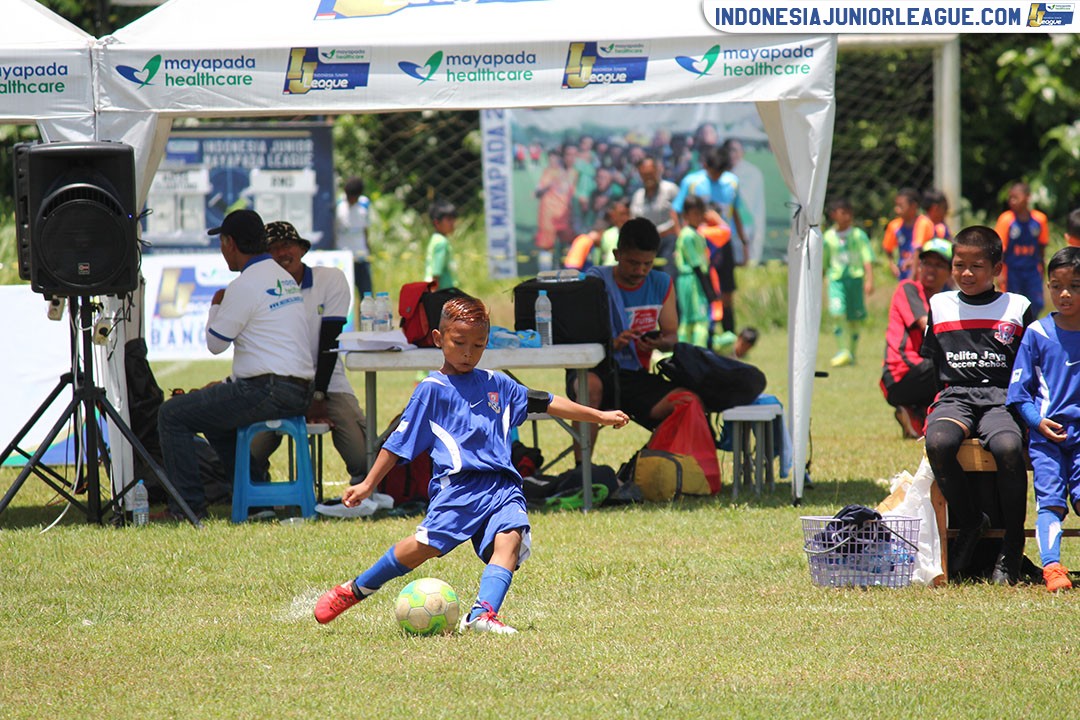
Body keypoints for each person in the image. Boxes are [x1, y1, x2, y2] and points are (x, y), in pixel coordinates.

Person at [314, 296, 629, 631]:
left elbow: (547, 401)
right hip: (459, 488)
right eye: (459, 343)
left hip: (502, 486)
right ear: (438, 339)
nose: (468, 353)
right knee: (423, 548)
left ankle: (482, 614)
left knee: (511, 538)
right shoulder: (432, 390)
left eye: (478, 345)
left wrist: (598, 415)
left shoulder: (498, 384)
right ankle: (357, 588)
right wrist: (367, 484)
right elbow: (398, 444)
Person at [157, 210, 314, 519]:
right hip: (299, 389)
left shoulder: (244, 285)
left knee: (171, 414)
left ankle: (186, 508)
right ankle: (257, 501)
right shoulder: (282, 277)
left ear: (229, 243)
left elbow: (215, 344)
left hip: (267, 389)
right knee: (217, 418)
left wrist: (216, 305)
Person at [921, 225, 1035, 584]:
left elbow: (1031, 365)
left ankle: (1012, 545)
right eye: (959, 265)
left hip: (1002, 398)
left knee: (1008, 446)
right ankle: (970, 521)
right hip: (956, 396)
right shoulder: (939, 305)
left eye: (977, 266)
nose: (966, 273)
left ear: (997, 268)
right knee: (938, 443)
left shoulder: (1017, 307)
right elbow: (932, 364)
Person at [249, 221, 368, 485]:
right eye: (273, 249)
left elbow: (329, 341)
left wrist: (318, 395)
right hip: (278, 386)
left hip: (330, 383)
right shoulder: (260, 289)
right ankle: (261, 485)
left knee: (362, 458)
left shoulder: (331, 279)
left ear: (302, 249)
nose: (281, 253)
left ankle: (362, 489)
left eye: (287, 245)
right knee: (249, 453)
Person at [571, 217, 695, 450]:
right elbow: (578, 335)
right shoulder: (596, 281)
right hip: (594, 369)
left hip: (635, 375)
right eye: (632, 263)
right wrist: (612, 344)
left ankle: (641, 467)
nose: (640, 271)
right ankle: (582, 474)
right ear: (617, 254)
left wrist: (657, 343)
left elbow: (671, 338)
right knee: (591, 387)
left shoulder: (662, 283)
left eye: (647, 264)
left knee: (686, 401)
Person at [1007, 247, 1080, 592]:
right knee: (1050, 501)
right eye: (1057, 286)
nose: (1065, 294)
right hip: (1046, 437)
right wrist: (1037, 423)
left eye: (1075, 286)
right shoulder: (1037, 332)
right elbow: (1019, 394)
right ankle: (1052, 569)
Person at [672, 145, 749, 339]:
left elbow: (736, 212)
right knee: (702, 288)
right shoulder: (692, 181)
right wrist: (680, 236)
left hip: (723, 243)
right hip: (699, 244)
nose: (716, 176)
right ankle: (704, 335)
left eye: (720, 172)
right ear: (705, 166)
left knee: (726, 293)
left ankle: (729, 337)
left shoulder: (732, 182)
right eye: (713, 172)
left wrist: (743, 242)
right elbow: (677, 209)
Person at [880, 238, 953, 438]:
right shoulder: (908, 289)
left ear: (950, 272)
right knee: (954, 365)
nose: (931, 269)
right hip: (900, 376)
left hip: (921, 374)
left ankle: (915, 414)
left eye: (939, 265)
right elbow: (926, 325)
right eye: (927, 263)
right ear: (919, 266)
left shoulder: (948, 300)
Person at [822, 197, 874, 368]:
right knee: (837, 312)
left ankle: (851, 353)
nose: (846, 216)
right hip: (837, 280)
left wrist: (869, 279)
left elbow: (867, 258)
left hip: (855, 280)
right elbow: (824, 261)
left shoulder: (858, 235)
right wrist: (822, 279)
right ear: (833, 215)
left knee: (854, 318)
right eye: (842, 212)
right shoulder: (828, 237)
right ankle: (842, 350)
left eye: (848, 213)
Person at [995, 181, 1049, 317]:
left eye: (1016, 197)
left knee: (1036, 303)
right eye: (1010, 198)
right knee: (1012, 304)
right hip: (1012, 271)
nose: (1012, 201)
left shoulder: (1039, 219)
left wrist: (1043, 268)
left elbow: (1042, 246)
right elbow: (1000, 249)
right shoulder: (1006, 220)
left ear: (1027, 197)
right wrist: (1000, 273)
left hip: (1032, 270)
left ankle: (1031, 330)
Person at [629, 156, 680, 280]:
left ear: (658, 171)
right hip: (646, 246)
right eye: (644, 174)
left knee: (668, 279)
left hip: (669, 242)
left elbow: (681, 217)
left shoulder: (670, 190)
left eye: (651, 173)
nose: (648, 178)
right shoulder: (637, 196)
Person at [673, 195, 710, 346]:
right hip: (693, 279)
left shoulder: (695, 233)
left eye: (701, 213)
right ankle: (699, 354)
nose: (699, 217)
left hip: (690, 279)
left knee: (687, 320)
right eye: (695, 214)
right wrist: (709, 290)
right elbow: (696, 264)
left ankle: (684, 353)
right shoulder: (688, 235)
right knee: (700, 320)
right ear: (686, 215)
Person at [723, 139, 767, 264]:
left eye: (735, 150)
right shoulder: (719, 172)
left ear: (742, 152)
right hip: (725, 223)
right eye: (729, 150)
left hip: (745, 222)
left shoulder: (752, 173)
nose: (732, 154)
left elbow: (755, 203)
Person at [534, 148, 575, 272]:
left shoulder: (572, 173)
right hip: (549, 215)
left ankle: (563, 270)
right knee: (547, 246)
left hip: (564, 215)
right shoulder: (550, 172)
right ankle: (546, 274)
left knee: (567, 245)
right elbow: (539, 191)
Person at [334, 177, 373, 302]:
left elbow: (366, 229)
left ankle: (365, 320)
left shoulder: (364, 204)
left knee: (366, 293)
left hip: (361, 256)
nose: (351, 200)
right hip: (343, 257)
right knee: (343, 294)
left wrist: (368, 248)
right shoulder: (338, 204)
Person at [882, 187, 935, 281]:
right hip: (904, 273)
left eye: (901, 206)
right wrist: (891, 264)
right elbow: (887, 247)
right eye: (896, 205)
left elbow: (918, 248)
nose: (897, 210)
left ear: (913, 206)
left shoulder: (923, 223)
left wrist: (913, 273)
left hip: (924, 273)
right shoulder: (894, 226)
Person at [425, 200, 457, 289]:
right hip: (442, 292)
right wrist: (432, 294)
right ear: (436, 223)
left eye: (453, 219)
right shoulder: (441, 242)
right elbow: (436, 272)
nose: (453, 223)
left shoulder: (435, 239)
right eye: (449, 220)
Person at [598, 198, 630, 267]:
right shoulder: (607, 234)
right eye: (621, 214)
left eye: (626, 214)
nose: (624, 218)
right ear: (614, 215)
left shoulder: (634, 235)